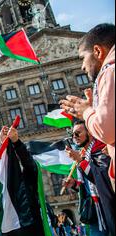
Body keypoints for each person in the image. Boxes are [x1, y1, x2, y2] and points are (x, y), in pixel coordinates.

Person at [62, 120, 115, 236]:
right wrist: (75, 184)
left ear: (90, 133)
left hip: (108, 208)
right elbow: (88, 183)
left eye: (78, 133)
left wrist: (80, 161)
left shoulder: (101, 148)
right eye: (73, 134)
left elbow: (102, 177)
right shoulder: (84, 153)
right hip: (95, 212)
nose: (74, 137)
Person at [61, 23, 115, 191]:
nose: (83, 66)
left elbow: (105, 129)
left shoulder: (110, 71)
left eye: (83, 58)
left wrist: (87, 112)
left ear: (98, 51)